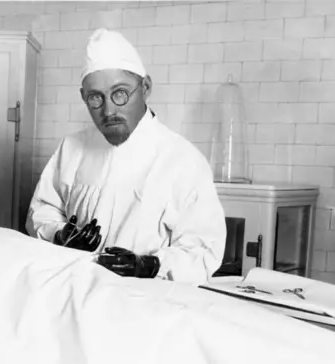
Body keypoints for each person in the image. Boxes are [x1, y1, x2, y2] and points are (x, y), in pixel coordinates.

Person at [26, 28, 226, 284]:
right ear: (83, 97)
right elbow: (41, 211)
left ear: (145, 87)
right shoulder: (72, 148)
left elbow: (203, 250)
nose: (109, 110)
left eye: (120, 93)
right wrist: (61, 234)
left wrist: (149, 265)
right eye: (95, 97)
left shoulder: (182, 160)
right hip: (74, 289)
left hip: (146, 302)